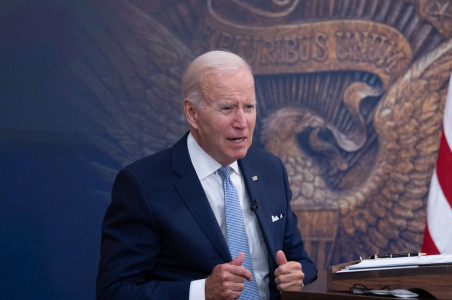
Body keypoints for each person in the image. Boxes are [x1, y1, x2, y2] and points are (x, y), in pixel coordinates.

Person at [96, 50, 317, 300]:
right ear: (192, 113)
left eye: (249, 106)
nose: (242, 121)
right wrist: (202, 292)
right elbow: (114, 292)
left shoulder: (270, 169)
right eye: (227, 108)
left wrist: (296, 275)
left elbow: (302, 263)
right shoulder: (142, 185)